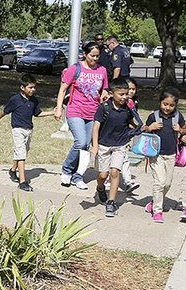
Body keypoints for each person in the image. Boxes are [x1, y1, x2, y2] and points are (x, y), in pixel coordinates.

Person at [55, 42, 109, 190]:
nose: (95, 59)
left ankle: (77, 176)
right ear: (85, 54)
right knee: (80, 142)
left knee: (86, 145)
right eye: (92, 55)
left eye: (98, 56)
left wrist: (105, 96)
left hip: (93, 112)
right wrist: (59, 108)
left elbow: (104, 90)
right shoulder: (75, 68)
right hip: (75, 110)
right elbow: (62, 89)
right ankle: (67, 170)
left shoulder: (102, 70)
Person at [0, 73, 54, 192]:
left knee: (23, 152)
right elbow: (4, 111)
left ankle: (12, 170)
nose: (33, 90)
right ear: (22, 87)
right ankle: (22, 182)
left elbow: (38, 114)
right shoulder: (15, 100)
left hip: (29, 130)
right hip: (18, 130)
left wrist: (52, 112)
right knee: (21, 154)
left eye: (34, 87)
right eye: (30, 87)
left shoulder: (34, 100)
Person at [89, 78, 141, 217]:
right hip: (104, 145)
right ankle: (100, 187)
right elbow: (96, 128)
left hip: (120, 145)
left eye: (126, 94)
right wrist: (94, 146)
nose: (125, 97)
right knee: (102, 175)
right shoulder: (104, 107)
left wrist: (141, 129)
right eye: (121, 94)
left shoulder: (128, 109)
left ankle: (111, 202)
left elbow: (130, 123)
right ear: (112, 93)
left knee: (115, 173)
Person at [144, 88, 186, 223]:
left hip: (171, 154)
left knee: (167, 184)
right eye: (165, 104)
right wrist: (150, 127)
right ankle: (157, 210)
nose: (168, 108)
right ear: (160, 102)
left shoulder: (178, 116)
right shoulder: (154, 116)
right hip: (155, 155)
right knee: (159, 182)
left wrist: (180, 130)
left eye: (171, 105)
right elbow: (143, 130)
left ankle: (154, 202)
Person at [119, 77, 142, 193]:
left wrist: (136, 126)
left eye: (133, 89)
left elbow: (130, 119)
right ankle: (108, 179)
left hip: (125, 134)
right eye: (129, 89)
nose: (131, 91)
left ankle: (128, 181)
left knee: (124, 157)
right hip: (112, 135)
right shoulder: (118, 102)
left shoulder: (132, 103)